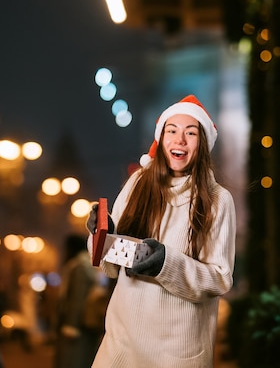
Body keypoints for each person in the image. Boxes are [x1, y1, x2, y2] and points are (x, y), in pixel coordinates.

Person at [86, 94, 237, 367]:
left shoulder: (217, 199)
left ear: (203, 144)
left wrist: (165, 264)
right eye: (172, 131)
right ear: (161, 138)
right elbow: (109, 262)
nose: (179, 140)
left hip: (176, 354)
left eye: (191, 133)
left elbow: (219, 278)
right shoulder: (138, 183)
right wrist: (99, 234)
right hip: (121, 346)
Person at [55, 234, 104, 368]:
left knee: (73, 360)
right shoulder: (88, 265)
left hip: (78, 325)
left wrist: (71, 325)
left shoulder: (79, 267)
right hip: (86, 323)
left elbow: (77, 298)